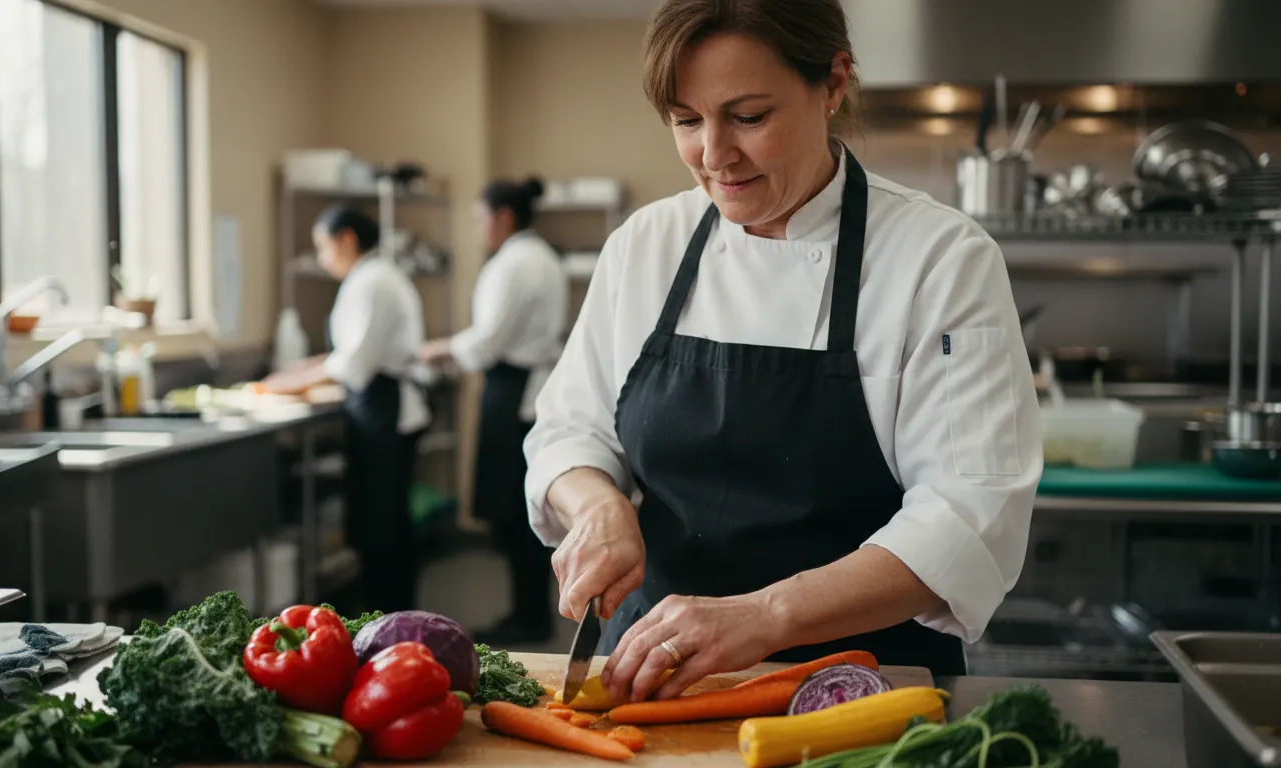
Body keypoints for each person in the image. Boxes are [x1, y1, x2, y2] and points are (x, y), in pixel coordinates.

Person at [522, 0, 1043, 703]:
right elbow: (568, 430)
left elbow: (966, 515)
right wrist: (598, 507)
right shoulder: (646, 245)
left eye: (748, 117)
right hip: (652, 683)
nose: (714, 155)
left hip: (863, 694)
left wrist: (766, 616)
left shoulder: (940, 259)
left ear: (833, 84)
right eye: (685, 120)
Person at [419, 177, 569, 646]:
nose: (479, 228)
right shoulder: (541, 255)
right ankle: (527, 610)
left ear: (503, 215)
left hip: (515, 387)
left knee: (514, 510)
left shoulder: (515, 262)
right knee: (518, 507)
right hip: (526, 384)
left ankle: (528, 617)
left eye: (481, 217)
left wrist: (434, 349)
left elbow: (487, 340)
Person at [261, 204, 431, 615]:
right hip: (379, 405)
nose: (322, 258)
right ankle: (390, 614)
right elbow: (346, 353)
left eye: (323, 247)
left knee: (382, 526)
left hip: (385, 407)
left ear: (348, 239)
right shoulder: (372, 277)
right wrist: (297, 371)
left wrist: (289, 382)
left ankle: (389, 618)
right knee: (383, 521)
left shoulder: (372, 281)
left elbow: (353, 362)